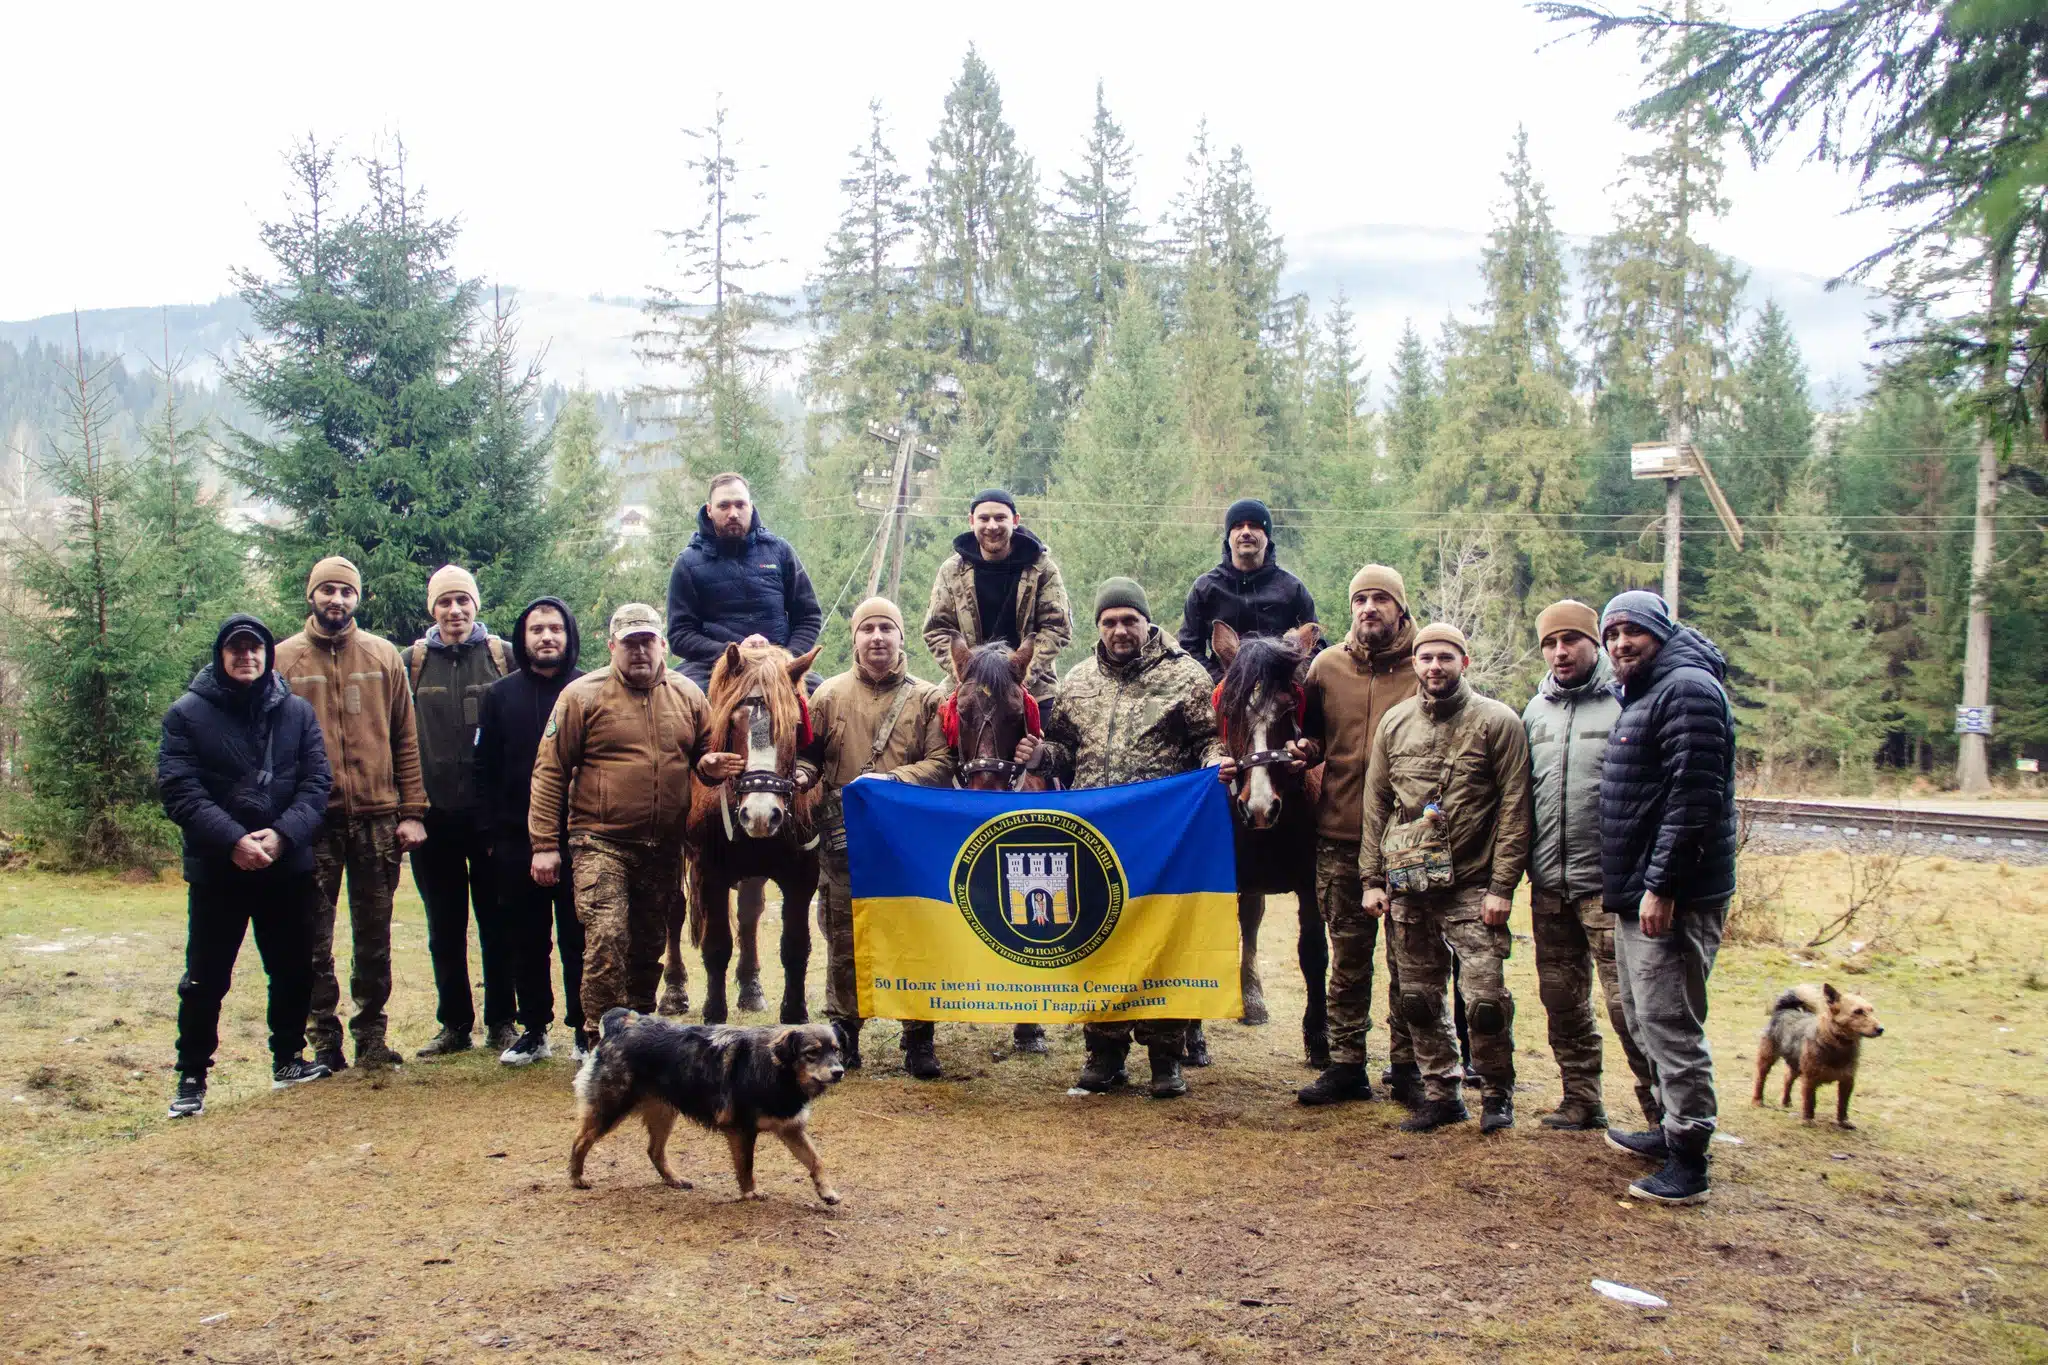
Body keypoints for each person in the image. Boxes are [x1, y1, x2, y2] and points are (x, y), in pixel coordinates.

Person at [1018, 578, 1221, 1100]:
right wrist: (1039, 755)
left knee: (1162, 944)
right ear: (1098, 627)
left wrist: (1215, 764)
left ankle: (1165, 1056)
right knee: (1097, 941)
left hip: (1163, 839)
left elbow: (1210, 739)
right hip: (1094, 841)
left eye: (1129, 619)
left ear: (1146, 622)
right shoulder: (1079, 679)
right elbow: (1064, 750)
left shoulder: (1185, 675)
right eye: (1109, 621)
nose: (1120, 630)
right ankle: (1104, 1052)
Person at [159, 616, 336, 1117]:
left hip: (286, 865)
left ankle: (288, 1058)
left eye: (255, 648)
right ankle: (191, 1076)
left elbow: (316, 783)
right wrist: (232, 840)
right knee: (206, 977)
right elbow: (179, 789)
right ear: (221, 655)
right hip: (219, 870)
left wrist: (282, 836)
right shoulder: (186, 714)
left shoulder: (297, 712)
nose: (247, 657)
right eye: (236, 649)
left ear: (267, 655)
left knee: (293, 969)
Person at [1359, 622, 1531, 1135]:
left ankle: (1497, 1093)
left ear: (1464, 662)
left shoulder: (1498, 722)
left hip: (1474, 887)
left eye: (1445, 657)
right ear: (1415, 663)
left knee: (1484, 1003)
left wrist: (1502, 887)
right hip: (1410, 887)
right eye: (1426, 657)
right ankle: (1441, 1094)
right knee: (1417, 1000)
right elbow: (1376, 804)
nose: (1435, 666)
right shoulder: (1394, 723)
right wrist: (1371, 879)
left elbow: (1515, 809)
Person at [1597, 590, 1739, 1206]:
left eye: (1632, 631)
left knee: (1671, 1023)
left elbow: (1693, 797)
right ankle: (1669, 1128)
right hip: (1639, 889)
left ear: (1660, 632)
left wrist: (1663, 886)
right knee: (1645, 1016)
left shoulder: (1687, 689)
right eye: (1611, 634)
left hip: (1672, 895)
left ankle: (1690, 1161)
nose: (1620, 643)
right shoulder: (1649, 690)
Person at [665, 472, 824, 1002]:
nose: (733, 513)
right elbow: (680, 633)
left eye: (740, 505)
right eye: (723, 506)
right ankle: (680, 815)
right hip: (718, 667)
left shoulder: (779, 552)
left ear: (752, 508)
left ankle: (816, 806)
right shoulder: (690, 563)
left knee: (822, 707)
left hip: (778, 668)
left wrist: (777, 658)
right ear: (709, 511)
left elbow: (808, 616)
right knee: (676, 714)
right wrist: (734, 652)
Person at [530, 603, 723, 1037]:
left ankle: (639, 1035)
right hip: (600, 841)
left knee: (649, 945)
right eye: (629, 643)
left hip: (663, 845)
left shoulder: (689, 695)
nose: (639, 651)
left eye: (647, 641)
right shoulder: (582, 695)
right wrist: (543, 844)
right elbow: (550, 770)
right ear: (612, 646)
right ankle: (599, 1038)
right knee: (607, 937)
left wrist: (710, 765)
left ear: (663, 645)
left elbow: (705, 753)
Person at [276, 556, 427, 1073]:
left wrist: (413, 810)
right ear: (311, 595)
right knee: (311, 938)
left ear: (357, 598)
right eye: (328, 590)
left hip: (378, 818)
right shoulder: (283, 661)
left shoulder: (383, 656)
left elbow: (406, 738)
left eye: (346, 591)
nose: (337, 599)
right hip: (309, 823)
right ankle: (323, 1041)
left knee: (374, 936)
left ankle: (371, 1036)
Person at [796, 597, 953, 1077]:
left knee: (915, 936)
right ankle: (844, 1037)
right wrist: (801, 776)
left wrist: (892, 781)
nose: (878, 637)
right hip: (843, 841)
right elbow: (808, 757)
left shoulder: (929, 698)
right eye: (868, 629)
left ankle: (919, 1038)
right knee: (845, 938)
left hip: (909, 843)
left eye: (887, 628)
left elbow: (943, 764)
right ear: (855, 638)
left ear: (902, 637)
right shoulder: (827, 696)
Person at [1521, 599, 1657, 1132]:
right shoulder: (1535, 712)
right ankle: (1580, 1099)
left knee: (1630, 1007)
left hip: (1611, 889)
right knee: (1562, 1000)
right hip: (1549, 885)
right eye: (1550, 644)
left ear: (1593, 643)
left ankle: (1661, 1117)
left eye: (1571, 641)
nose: (1560, 652)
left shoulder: (1627, 702)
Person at [1295, 566, 1420, 1107]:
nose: (1369, 607)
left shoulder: (1426, 664)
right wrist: (1304, 751)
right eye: (1360, 599)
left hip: (1410, 839)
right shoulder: (1326, 667)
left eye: (1380, 599)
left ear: (1400, 607)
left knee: (1410, 961)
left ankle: (1409, 1064)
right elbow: (1314, 739)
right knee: (1347, 959)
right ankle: (1347, 1065)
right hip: (1341, 833)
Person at [407, 565, 515, 1059]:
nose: (454, 610)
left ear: (476, 605)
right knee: (444, 927)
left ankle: (502, 1022)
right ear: (433, 609)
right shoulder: (412, 662)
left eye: (462, 601)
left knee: (498, 923)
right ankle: (453, 1025)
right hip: (433, 818)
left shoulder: (502, 656)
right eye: (445, 602)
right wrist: (408, 809)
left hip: (489, 818)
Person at [476, 596, 588, 1064]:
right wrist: (491, 836)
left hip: (580, 837)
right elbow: (483, 769)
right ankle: (534, 1028)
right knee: (525, 938)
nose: (546, 637)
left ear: (569, 635)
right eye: (537, 629)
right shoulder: (499, 696)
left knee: (579, 938)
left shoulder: (589, 689)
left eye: (555, 629)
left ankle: (585, 1029)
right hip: (515, 840)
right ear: (522, 638)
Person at [923, 488, 1072, 702]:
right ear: (972, 521)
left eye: (1000, 518)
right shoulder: (952, 570)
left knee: (1052, 721)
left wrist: (1021, 674)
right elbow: (937, 629)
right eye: (984, 518)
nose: (992, 526)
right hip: (969, 683)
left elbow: (1057, 627)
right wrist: (968, 673)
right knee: (936, 717)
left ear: (1015, 520)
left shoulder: (1041, 568)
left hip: (1031, 685)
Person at [1178, 497, 1319, 680]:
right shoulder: (1205, 588)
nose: (1246, 532)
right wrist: (1224, 683)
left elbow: (1315, 645)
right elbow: (1188, 648)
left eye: (1254, 526)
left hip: (1279, 687)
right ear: (1229, 537)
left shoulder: (1292, 589)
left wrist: (1284, 681)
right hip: (1221, 685)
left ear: (1266, 536)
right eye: (1238, 526)